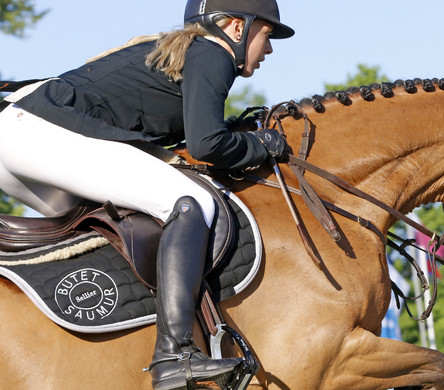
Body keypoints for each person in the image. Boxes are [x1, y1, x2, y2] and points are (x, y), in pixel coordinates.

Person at [0, 0, 293, 389]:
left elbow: (192, 138)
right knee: (191, 203)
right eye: (267, 35)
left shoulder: (180, 50)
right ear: (237, 29)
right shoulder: (213, 52)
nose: (269, 49)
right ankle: (174, 353)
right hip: (38, 132)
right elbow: (207, 145)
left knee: (123, 224)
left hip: (18, 137)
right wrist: (264, 144)